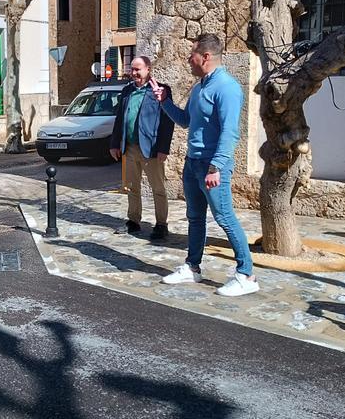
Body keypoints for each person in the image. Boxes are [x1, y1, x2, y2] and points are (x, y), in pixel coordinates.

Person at [154, 33, 259, 296]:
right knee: (195, 217)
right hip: (193, 163)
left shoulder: (227, 87)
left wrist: (217, 167)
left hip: (212, 166)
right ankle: (192, 267)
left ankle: (246, 275)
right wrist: (164, 101)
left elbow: (230, 132)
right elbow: (186, 120)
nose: (189, 59)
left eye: (192, 55)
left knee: (224, 217)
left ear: (206, 56)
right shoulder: (200, 87)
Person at [109, 55, 175, 240]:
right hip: (129, 148)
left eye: (138, 69)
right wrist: (114, 143)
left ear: (148, 69)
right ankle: (134, 221)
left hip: (152, 149)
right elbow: (120, 118)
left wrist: (164, 148)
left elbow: (167, 121)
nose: (134, 72)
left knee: (158, 188)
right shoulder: (127, 91)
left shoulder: (160, 91)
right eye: (132, 69)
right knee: (131, 187)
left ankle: (161, 224)